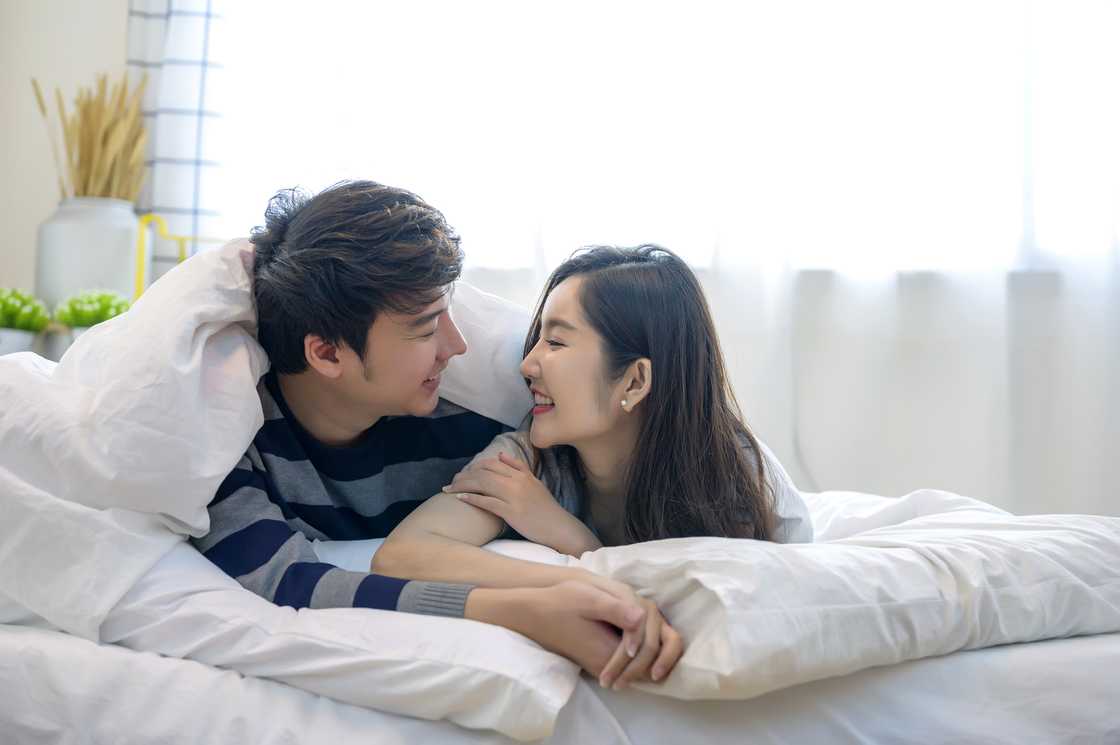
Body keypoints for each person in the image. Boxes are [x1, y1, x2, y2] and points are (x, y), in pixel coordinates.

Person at [190, 181, 662, 679]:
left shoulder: (475, 420)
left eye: (449, 314)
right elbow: (287, 585)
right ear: (328, 353)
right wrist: (519, 609)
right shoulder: (233, 435)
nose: (457, 346)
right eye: (425, 327)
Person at [374, 244, 814, 690]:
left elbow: (780, 591)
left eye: (557, 341)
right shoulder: (526, 459)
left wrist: (568, 535)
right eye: (538, 338)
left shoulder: (735, 475)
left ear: (635, 380)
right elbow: (401, 555)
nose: (527, 365)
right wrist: (578, 580)